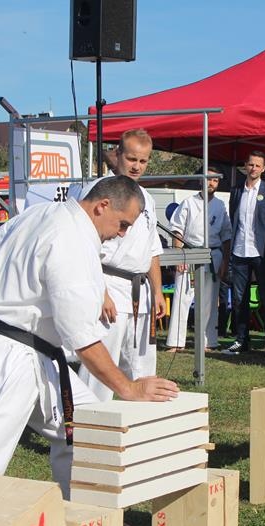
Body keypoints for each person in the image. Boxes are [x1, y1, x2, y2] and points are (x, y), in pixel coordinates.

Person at [0, 176, 180, 526]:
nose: (121, 234)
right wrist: (128, 388)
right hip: (14, 360)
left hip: (36, 355)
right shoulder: (72, 239)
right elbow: (82, 338)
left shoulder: (42, 214)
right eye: (122, 224)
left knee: (89, 431)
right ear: (102, 206)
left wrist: (15, 288)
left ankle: (84, 519)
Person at [76, 129, 167, 401]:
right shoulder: (100, 191)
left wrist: (158, 291)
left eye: (143, 161)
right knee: (101, 366)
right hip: (108, 284)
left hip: (140, 291)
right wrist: (101, 293)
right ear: (117, 155)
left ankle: (141, 421)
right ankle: (90, 417)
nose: (137, 166)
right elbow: (85, 245)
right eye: (131, 159)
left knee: (142, 367)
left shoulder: (147, 198)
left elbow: (152, 250)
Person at [222, 151, 265, 357]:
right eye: (250, 165)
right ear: (245, 166)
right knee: (239, 299)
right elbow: (234, 219)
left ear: (263, 169)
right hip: (240, 251)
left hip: (262, 253)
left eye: (258, 165)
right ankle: (241, 340)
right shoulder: (236, 191)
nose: (253, 168)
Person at [165, 168, 232, 351]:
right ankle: (176, 341)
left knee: (209, 300)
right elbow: (177, 231)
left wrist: (225, 261)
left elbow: (226, 236)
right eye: (208, 179)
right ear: (200, 180)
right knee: (182, 297)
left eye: (215, 180)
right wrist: (179, 256)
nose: (211, 183)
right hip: (189, 253)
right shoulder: (188, 202)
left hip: (212, 254)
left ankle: (208, 341)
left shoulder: (220, 205)